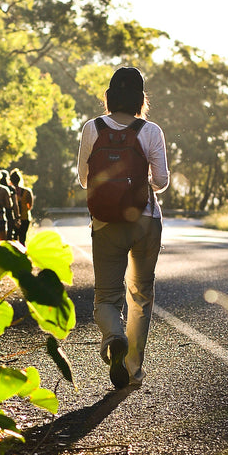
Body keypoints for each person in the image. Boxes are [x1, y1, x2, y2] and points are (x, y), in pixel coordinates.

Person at [78, 66, 169, 389]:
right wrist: (138, 182)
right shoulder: (151, 131)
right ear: (141, 99)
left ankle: (113, 337)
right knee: (141, 295)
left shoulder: (93, 128)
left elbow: (83, 178)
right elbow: (161, 181)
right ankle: (133, 369)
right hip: (145, 221)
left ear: (110, 96)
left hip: (105, 223)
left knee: (106, 297)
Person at [8, 168, 33, 244]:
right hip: (25, 218)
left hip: (13, 219)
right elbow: (29, 206)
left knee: (14, 240)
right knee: (22, 240)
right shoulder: (27, 192)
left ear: (11, 180)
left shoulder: (9, 191)